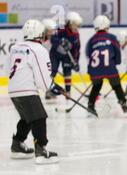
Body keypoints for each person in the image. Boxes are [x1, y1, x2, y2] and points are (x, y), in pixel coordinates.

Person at [8, 19, 62, 164]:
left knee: (28, 117)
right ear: (40, 34)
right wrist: (51, 87)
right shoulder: (39, 49)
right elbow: (42, 78)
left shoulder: (15, 47)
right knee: (39, 117)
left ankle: (17, 144)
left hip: (13, 89)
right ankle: (41, 151)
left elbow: (12, 69)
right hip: (27, 89)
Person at [85, 15, 127, 115]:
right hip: (109, 68)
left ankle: (90, 105)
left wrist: (91, 70)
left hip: (95, 70)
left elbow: (88, 54)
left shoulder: (91, 40)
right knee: (116, 85)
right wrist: (116, 63)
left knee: (96, 86)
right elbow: (117, 54)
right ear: (107, 26)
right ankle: (123, 103)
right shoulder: (112, 38)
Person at [46, 11, 82, 99]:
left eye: (78, 25)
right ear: (69, 23)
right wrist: (60, 41)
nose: (77, 27)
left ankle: (68, 92)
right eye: (75, 24)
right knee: (52, 71)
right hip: (55, 54)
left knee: (67, 71)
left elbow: (76, 49)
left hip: (67, 56)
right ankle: (49, 91)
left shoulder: (76, 35)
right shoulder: (60, 28)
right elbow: (53, 39)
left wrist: (76, 61)